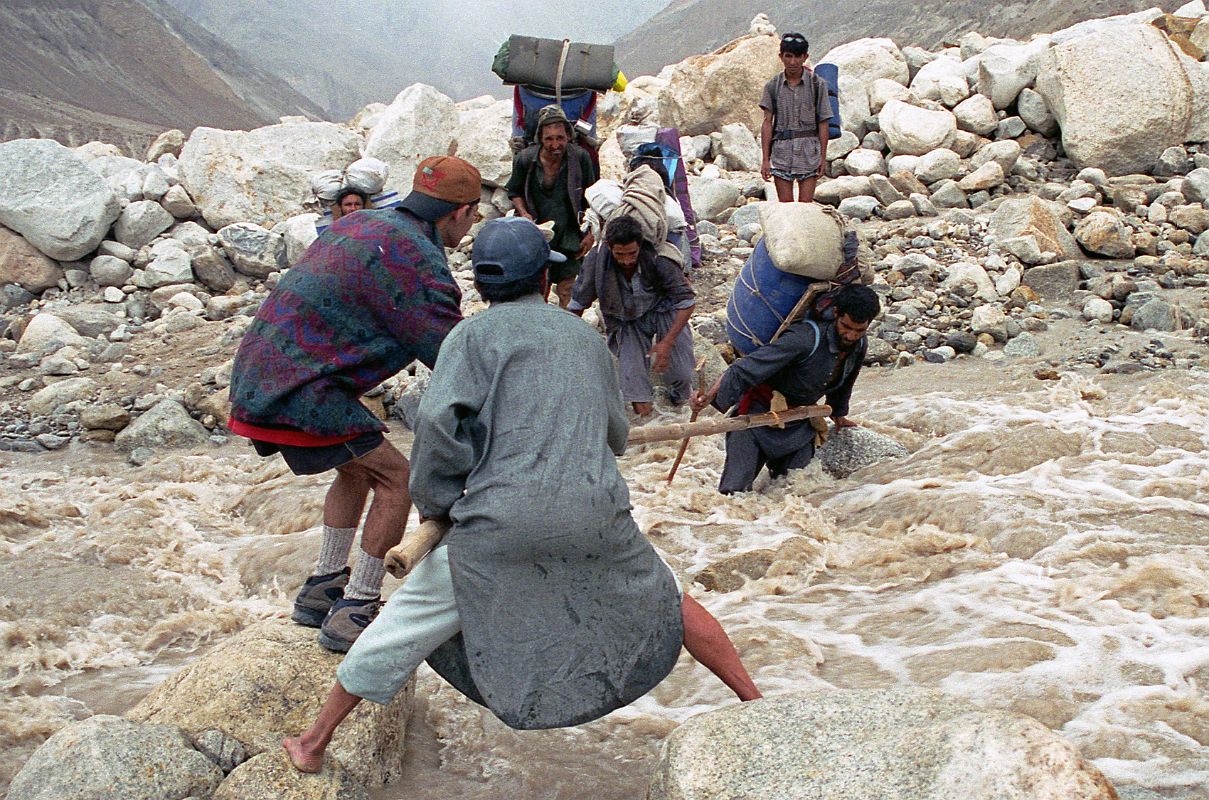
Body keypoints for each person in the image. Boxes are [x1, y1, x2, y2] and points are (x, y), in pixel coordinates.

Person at [283, 217, 760, 773]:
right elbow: (616, 435)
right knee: (666, 596)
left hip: (497, 523)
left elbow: (439, 429)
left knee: (400, 628)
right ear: (543, 277)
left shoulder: (467, 338)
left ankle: (313, 744)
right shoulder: (584, 337)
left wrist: (438, 507)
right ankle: (753, 702)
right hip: (595, 513)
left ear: (481, 286)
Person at [227, 156, 482, 652]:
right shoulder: (419, 263)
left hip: (258, 375)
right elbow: (452, 360)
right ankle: (358, 606)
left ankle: (321, 589)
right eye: (472, 216)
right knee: (397, 479)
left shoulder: (364, 222)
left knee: (356, 469)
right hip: (301, 390)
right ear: (462, 212)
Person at [692, 284, 881, 494]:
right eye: (846, 327)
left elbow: (846, 379)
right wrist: (709, 396)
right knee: (732, 495)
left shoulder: (859, 345)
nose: (851, 336)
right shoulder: (803, 339)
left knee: (793, 493)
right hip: (756, 420)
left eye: (859, 330)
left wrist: (838, 414)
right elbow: (744, 368)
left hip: (798, 424)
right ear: (836, 314)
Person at [569, 215, 696, 417]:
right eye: (620, 254)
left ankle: (680, 404)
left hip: (663, 309)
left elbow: (687, 302)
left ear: (640, 246)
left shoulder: (659, 259)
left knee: (681, 372)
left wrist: (667, 342)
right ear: (610, 247)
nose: (627, 260)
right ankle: (647, 425)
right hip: (625, 319)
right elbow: (578, 303)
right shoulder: (596, 262)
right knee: (633, 382)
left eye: (632, 253)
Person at [505, 104, 597, 308]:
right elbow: (514, 191)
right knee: (538, 290)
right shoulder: (526, 160)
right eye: (549, 139)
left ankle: (567, 332)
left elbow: (592, 197)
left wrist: (590, 233)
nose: (555, 144)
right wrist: (524, 213)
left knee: (569, 290)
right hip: (539, 233)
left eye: (560, 138)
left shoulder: (580, 158)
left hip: (570, 234)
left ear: (568, 136)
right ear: (540, 138)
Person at [760, 32, 833, 203]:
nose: (793, 62)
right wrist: (765, 159)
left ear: (805, 57)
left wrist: (823, 157)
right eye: (788, 56)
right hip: (781, 154)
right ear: (781, 57)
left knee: (805, 209)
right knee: (786, 210)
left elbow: (823, 122)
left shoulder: (818, 84)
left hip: (809, 154)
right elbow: (767, 122)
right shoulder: (773, 85)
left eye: (798, 57)